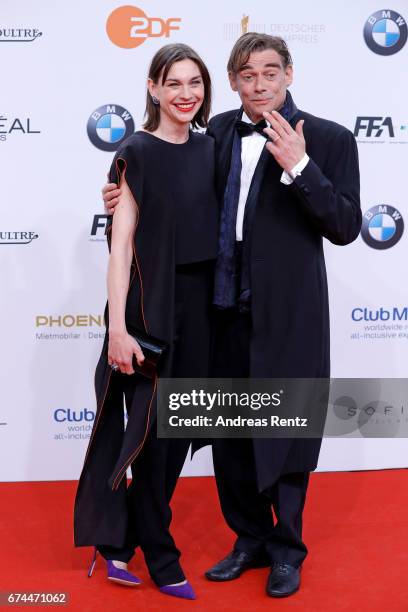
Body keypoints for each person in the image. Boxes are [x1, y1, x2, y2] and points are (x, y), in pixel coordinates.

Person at [103, 33, 361, 598]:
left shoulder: (331, 139)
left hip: (288, 315)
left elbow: (345, 226)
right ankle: (248, 538)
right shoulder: (216, 131)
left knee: (286, 429)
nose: (260, 83)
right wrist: (126, 199)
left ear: (289, 74)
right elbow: (177, 190)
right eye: (247, 74)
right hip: (219, 310)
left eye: (270, 71)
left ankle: (287, 550)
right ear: (235, 81)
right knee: (233, 435)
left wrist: (301, 168)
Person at [74, 43, 218, 601]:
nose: (186, 94)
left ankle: (118, 541)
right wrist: (117, 329)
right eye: (173, 83)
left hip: (207, 308)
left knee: (180, 436)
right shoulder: (134, 151)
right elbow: (120, 247)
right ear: (153, 88)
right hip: (151, 307)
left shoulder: (213, 149)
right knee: (155, 437)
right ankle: (160, 554)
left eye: (195, 83)